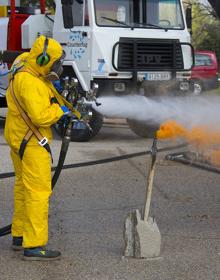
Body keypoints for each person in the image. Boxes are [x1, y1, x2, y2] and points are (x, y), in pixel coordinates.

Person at [4, 35, 69, 261]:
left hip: (17, 135)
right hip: (32, 143)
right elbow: (41, 116)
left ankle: (20, 235)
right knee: (38, 192)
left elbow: (36, 71)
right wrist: (61, 111)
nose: (57, 68)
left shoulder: (23, 62)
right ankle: (35, 246)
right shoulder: (30, 83)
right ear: (42, 60)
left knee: (23, 187)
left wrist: (50, 81)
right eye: (54, 63)